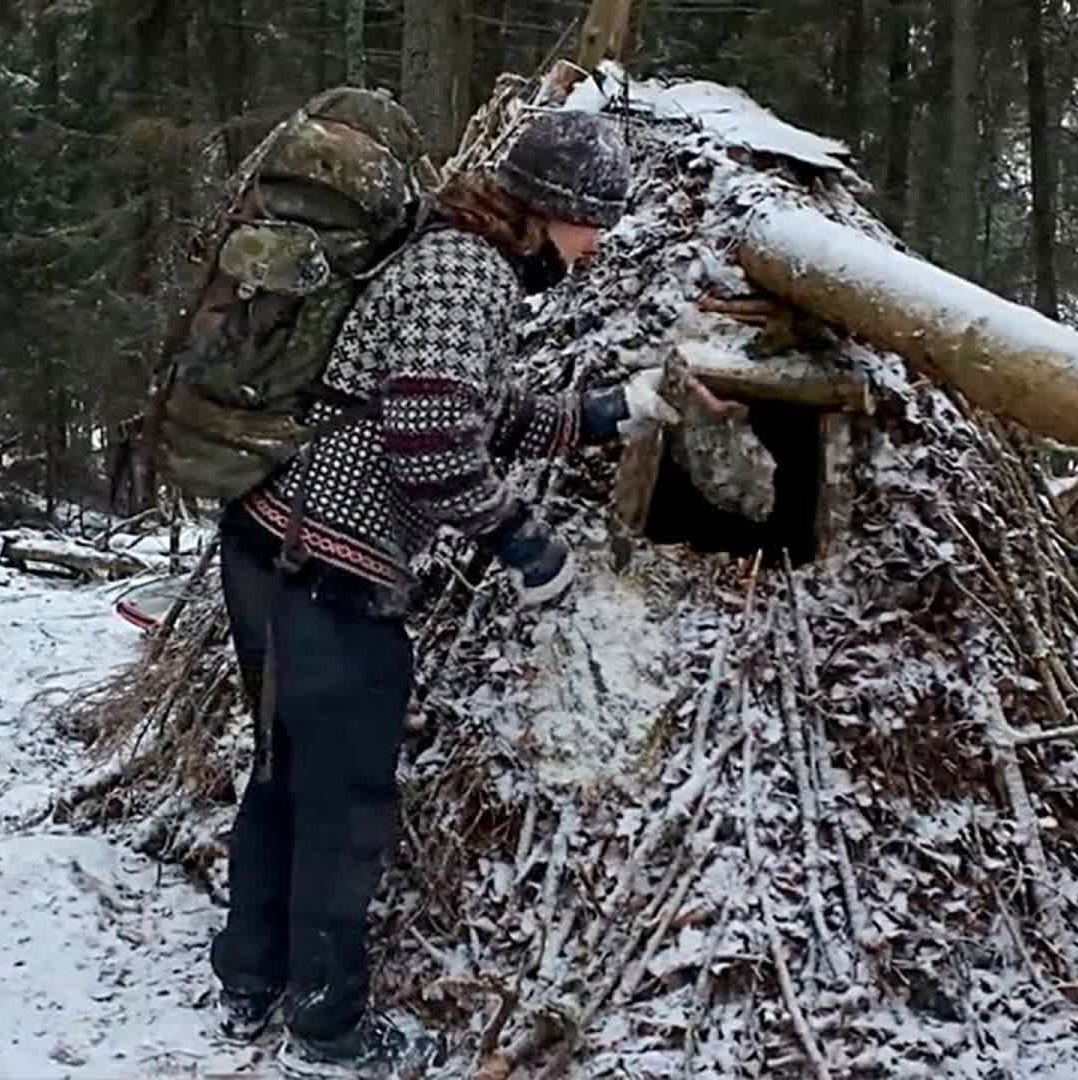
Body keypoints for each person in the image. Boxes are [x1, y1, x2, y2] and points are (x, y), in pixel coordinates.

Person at [207, 109, 675, 1078]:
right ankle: (327, 1027)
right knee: (346, 800)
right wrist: (527, 546)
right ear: (551, 210)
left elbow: (463, 407)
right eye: (593, 224)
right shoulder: (469, 273)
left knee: (282, 770)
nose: (597, 248)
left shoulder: (448, 256)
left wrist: (604, 414)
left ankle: (249, 979)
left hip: (271, 544)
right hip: (326, 568)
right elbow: (431, 449)